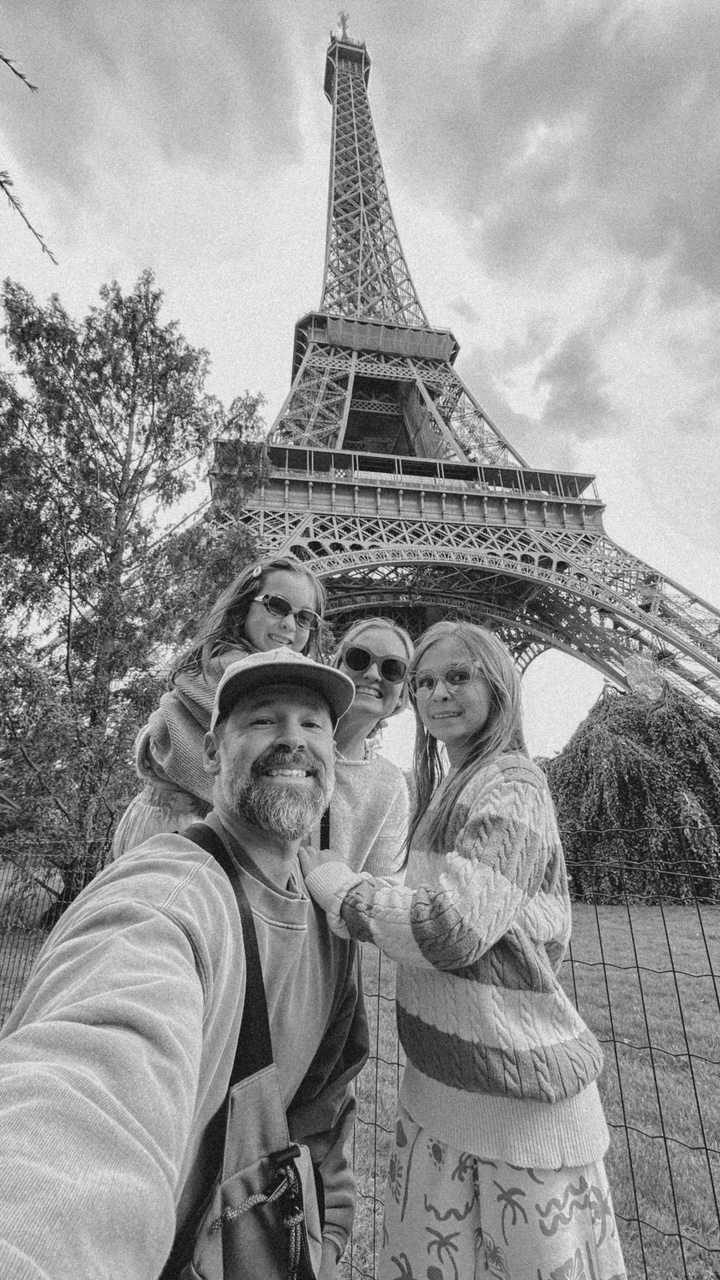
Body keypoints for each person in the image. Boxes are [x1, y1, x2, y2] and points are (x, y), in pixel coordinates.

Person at [0, 649, 368, 1279]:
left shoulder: (330, 924)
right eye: (261, 721)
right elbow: (92, 1080)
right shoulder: (170, 891)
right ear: (213, 753)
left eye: (313, 725)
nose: (291, 741)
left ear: (335, 758)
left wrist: (326, 1244)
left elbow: (324, 1111)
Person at [302, 621, 627, 1280]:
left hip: (518, 1116)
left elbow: (450, 928)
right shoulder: (452, 789)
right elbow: (440, 901)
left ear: (498, 683)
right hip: (443, 1101)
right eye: (424, 682)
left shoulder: (512, 785)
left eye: (458, 676)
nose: (437, 693)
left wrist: (339, 888)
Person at [112, 553, 326, 856]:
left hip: (158, 818)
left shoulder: (207, 669)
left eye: (305, 618)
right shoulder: (239, 673)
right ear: (243, 607)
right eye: (277, 606)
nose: (289, 624)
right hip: (182, 830)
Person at [308, 617, 414, 876]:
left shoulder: (390, 783)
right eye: (358, 658)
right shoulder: (293, 743)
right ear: (338, 665)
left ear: (402, 693)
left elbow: (384, 885)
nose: (372, 674)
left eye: (393, 669)